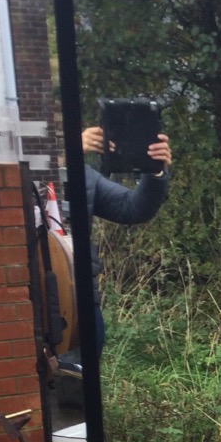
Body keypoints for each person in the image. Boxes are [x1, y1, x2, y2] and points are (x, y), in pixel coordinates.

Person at [79, 126, 173, 352]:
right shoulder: (28, 173)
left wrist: (154, 171)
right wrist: (68, 152)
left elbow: (132, 209)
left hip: (83, 301)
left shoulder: (86, 177)